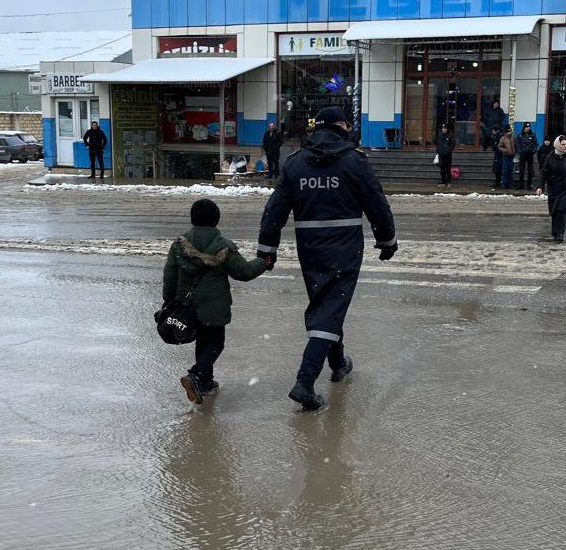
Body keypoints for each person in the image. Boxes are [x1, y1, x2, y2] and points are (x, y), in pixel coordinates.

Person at [257, 106, 396, 411]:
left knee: (328, 304)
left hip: (310, 248)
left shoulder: (295, 164)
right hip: (345, 246)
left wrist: (267, 247)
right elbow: (376, 202)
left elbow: (275, 210)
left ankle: (338, 363)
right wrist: (387, 239)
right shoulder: (354, 161)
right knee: (331, 306)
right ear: (342, 126)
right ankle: (305, 382)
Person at [163, 199, 271, 405]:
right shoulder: (224, 247)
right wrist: (263, 263)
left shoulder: (178, 245)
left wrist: (169, 301)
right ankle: (195, 375)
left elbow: (169, 275)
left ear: (192, 218)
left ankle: (205, 381)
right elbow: (244, 272)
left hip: (188, 305)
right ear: (217, 219)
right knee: (215, 342)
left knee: (202, 341)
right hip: (213, 306)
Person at [537, 136, 566, 242]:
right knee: (555, 210)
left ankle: (560, 233)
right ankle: (555, 231)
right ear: (558, 145)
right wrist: (540, 186)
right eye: (563, 144)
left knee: (562, 209)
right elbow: (544, 173)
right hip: (554, 188)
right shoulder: (550, 157)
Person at [516, 122, 538, 190]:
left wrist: (533, 151)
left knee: (530, 170)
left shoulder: (533, 134)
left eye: (529, 127)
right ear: (524, 127)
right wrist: (520, 151)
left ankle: (529, 185)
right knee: (521, 170)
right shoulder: (520, 135)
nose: (528, 128)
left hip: (530, 154)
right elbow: (517, 144)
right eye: (526, 127)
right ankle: (521, 185)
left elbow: (536, 144)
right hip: (523, 154)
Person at [497, 124, 517, 188]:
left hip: (512, 156)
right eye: (508, 131)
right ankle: (504, 183)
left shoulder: (514, 137)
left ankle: (509, 183)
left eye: (510, 130)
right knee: (505, 170)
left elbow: (516, 145)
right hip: (505, 156)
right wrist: (506, 150)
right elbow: (499, 147)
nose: (509, 132)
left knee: (511, 170)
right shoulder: (503, 138)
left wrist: (515, 152)